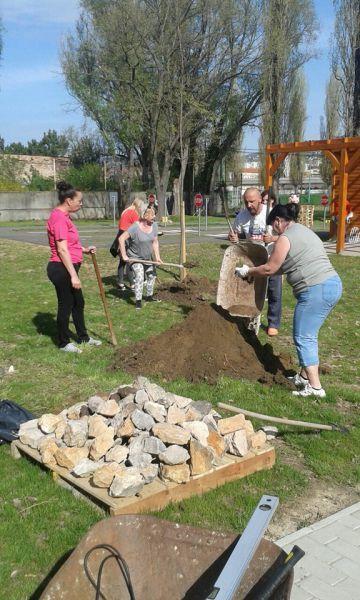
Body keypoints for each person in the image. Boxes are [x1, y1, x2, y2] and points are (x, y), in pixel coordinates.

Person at [235, 203, 342, 398]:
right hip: (332, 285)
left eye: (273, 226)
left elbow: (270, 268)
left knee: (303, 336)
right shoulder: (304, 231)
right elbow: (286, 265)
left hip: (315, 289)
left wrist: (248, 271)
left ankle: (315, 388)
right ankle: (303, 376)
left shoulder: (285, 238)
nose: (273, 230)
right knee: (309, 333)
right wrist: (262, 271)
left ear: (278, 221)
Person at [46, 181, 102, 354]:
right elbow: (62, 250)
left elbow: (69, 245)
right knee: (67, 303)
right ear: (69, 201)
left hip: (68, 266)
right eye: (79, 200)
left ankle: (83, 337)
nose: (81, 203)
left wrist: (83, 250)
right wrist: (73, 276)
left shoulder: (64, 217)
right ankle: (63, 343)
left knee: (78, 302)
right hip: (61, 267)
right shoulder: (59, 218)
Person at [229, 187, 282, 336]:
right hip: (252, 258)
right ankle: (248, 316)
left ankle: (273, 323)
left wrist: (272, 238)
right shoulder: (242, 216)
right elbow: (235, 234)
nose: (249, 205)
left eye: (252, 202)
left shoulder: (272, 213)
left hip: (272, 257)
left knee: (274, 289)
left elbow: (288, 236)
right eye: (246, 202)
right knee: (250, 289)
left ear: (260, 199)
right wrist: (233, 238)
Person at [119, 207, 162, 310]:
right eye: (152, 214)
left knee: (151, 275)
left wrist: (157, 258)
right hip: (135, 257)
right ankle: (138, 301)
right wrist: (124, 255)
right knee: (139, 275)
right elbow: (121, 238)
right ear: (145, 215)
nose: (154, 216)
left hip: (147, 257)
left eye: (154, 214)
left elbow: (155, 242)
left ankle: (149, 297)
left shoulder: (154, 226)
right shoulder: (135, 227)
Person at [116, 198, 144, 290]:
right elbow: (138, 226)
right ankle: (132, 283)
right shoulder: (133, 213)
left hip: (121, 235)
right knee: (129, 260)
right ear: (138, 206)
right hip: (126, 237)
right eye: (141, 207)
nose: (141, 209)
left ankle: (120, 282)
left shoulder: (126, 211)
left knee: (122, 261)